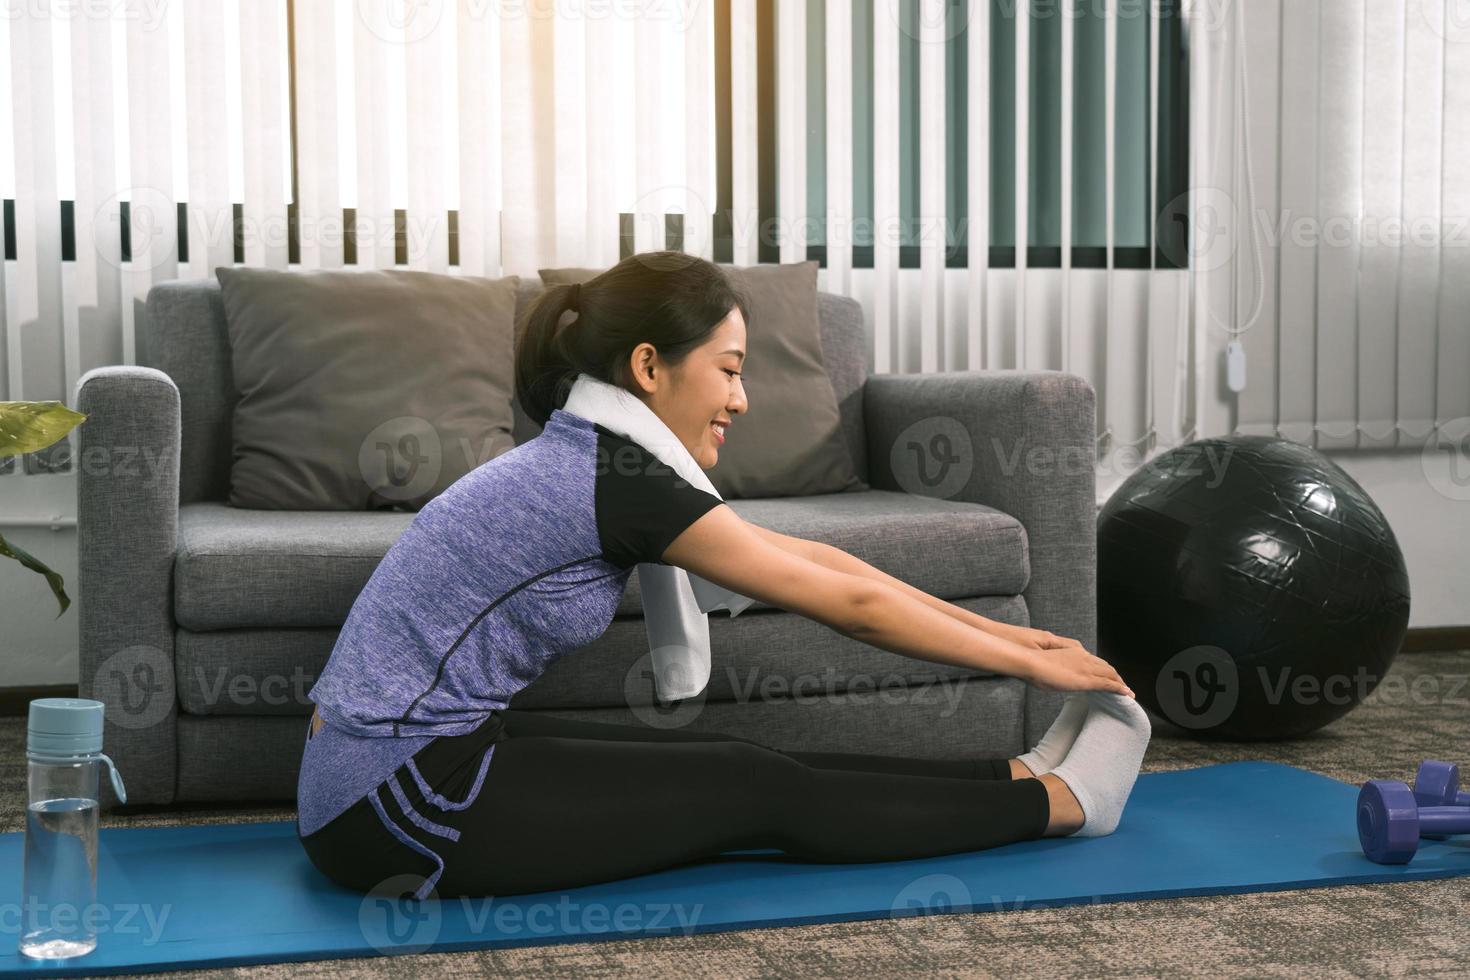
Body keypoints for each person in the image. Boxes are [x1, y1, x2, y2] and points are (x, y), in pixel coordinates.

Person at [295, 251, 1152, 901]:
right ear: (647, 368)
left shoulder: (595, 457)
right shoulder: (612, 478)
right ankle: (1067, 805)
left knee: (736, 757)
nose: (741, 400)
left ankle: (1018, 774)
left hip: (412, 764)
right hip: (392, 807)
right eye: (731, 370)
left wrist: (1014, 634)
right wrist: (1034, 665)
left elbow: (818, 561)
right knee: (757, 790)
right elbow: (847, 605)